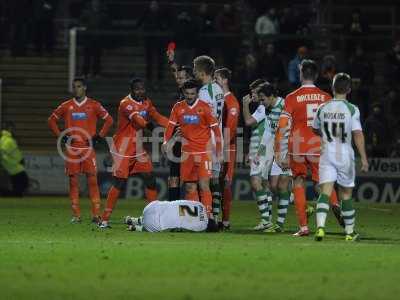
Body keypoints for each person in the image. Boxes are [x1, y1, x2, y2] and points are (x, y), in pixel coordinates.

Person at [274, 60, 341, 236]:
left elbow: (282, 126)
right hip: (319, 146)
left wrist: (278, 152)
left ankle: (303, 227)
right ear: (317, 75)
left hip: (297, 146)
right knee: (322, 183)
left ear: (301, 74)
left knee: (298, 181)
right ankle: (335, 204)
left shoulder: (291, 97)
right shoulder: (326, 97)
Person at [99, 78, 168, 228]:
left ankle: (154, 216)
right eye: (137, 89)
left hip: (138, 149)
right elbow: (138, 120)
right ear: (131, 90)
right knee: (119, 183)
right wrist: (151, 126)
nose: (140, 91)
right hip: (122, 148)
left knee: (150, 178)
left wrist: (173, 125)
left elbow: (157, 116)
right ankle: (104, 220)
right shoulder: (125, 104)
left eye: (142, 89)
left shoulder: (146, 102)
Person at [48, 77, 113, 223]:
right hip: (72, 149)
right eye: (74, 86)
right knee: (73, 181)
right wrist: (62, 137)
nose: (75, 89)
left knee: (92, 180)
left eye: (78, 86)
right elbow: (51, 120)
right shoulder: (66, 106)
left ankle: (96, 214)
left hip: (88, 148)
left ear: (84, 88)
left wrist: (98, 136)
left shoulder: (94, 105)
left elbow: (109, 120)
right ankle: (76, 215)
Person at [312, 73, 369, 241]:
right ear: (349, 89)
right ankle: (349, 233)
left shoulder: (323, 108)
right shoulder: (352, 109)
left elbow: (315, 128)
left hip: (327, 154)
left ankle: (320, 227)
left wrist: (324, 133)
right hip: (345, 155)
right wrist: (364, 158)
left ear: (332, 88)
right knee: (345, 194)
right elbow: (357, 134)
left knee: (325, 192)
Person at [163, 79, 223, 231]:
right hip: (187, 154)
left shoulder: (204, 107)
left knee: (204, 185)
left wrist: (220, 151)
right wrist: (166, 142)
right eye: (187, 93)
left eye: (193, 93)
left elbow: (216, 130)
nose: (190, 96)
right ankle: (195, 219)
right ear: (183, 93)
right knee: (190, 187)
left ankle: (208, 218)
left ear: (197, 93)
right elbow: (170, 126)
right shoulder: (178, 107)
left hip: (204, 152)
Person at [255, 83, 292, 233]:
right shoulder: (269, 109)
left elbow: (294, 129)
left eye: (263, 99)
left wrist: (290, 154)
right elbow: (269, 132)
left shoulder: (285, 106)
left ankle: (279, 225)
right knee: (273, 186)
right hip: (276, 151)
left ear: (271, 97)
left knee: (282, 185)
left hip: (288, 150)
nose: (261, 103)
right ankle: (297, 202)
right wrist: (260, 152)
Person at [193, 55, 225, 223]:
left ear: (202, 72)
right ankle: (215, 216)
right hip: (218, 137)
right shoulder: (219, 90)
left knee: (202, 181)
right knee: (214, 180)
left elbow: (202, 118)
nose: (193, 72)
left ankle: (205, 216)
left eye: (195, 69)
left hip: (206, 140)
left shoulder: (204, 92)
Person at [242, 79, 275, 230]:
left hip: (263, 148)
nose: (252, 95)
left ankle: (265, 219)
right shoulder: (263, 108)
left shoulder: (262, 108)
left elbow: (248, 121)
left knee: (255, 181)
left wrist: (244, 105)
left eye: (254, 92)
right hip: (262, 147)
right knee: (264, 183)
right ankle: (268, 218)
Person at [215, 67, 240, 230]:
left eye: (216, 79)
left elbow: (230, 129)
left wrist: (222, 149)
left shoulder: (231, 102)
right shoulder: (219, 100)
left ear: (224, 80)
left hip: (227, 148)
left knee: (225, 183)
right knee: (215, 182)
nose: (214, 82)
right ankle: (213, 217)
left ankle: (225, 220)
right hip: (217, 145)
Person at [124, 200, 208, 232]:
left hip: (151, 207)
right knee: (159, 224)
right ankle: (136, 228)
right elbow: (183, 229)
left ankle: (134, 220)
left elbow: (181, 201)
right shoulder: (202, 226)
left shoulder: (200, 205)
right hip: (153, 225)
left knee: (166, 209)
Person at [0, 127, 29, 197]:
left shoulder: (4, 140)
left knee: (18, 189)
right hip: (16, 168)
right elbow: (14, 153)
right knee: (23, 185)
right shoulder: (8, 140)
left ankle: (4, 193)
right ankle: (4, 194)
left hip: (13, 169)